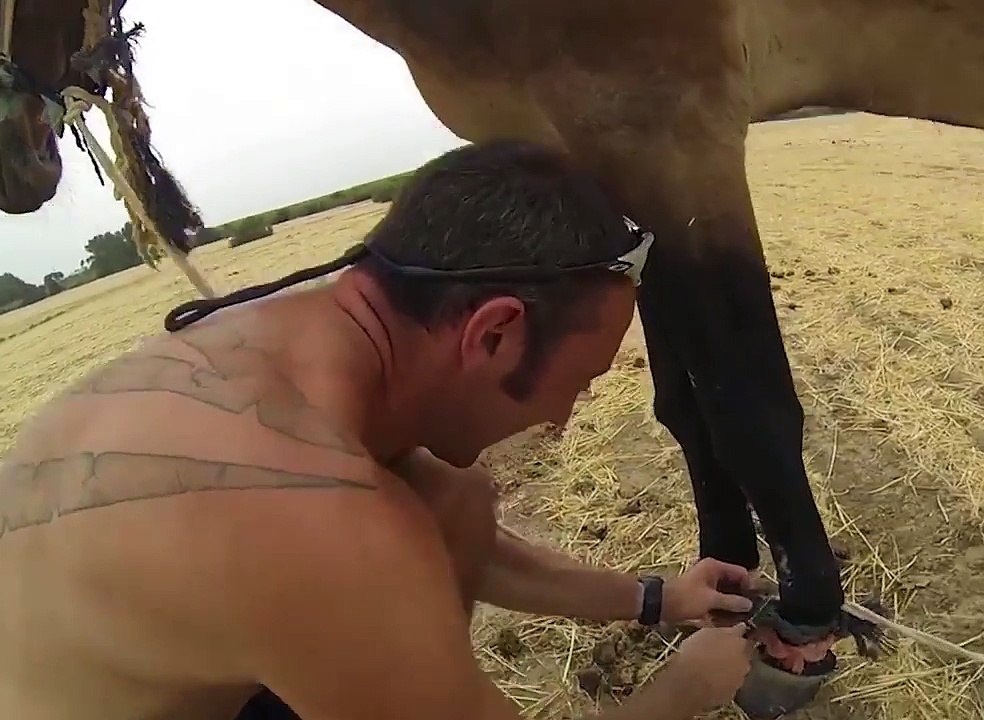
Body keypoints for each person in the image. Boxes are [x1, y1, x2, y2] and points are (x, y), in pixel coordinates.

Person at [0, 140, 766, 720]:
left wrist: (659, 598)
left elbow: (459, 534)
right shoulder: (323, 525)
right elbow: (350, 548)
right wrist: (682, 692)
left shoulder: (289, 350)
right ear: (494, 333)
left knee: (453, 498)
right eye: (581, 380)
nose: (563, 415)